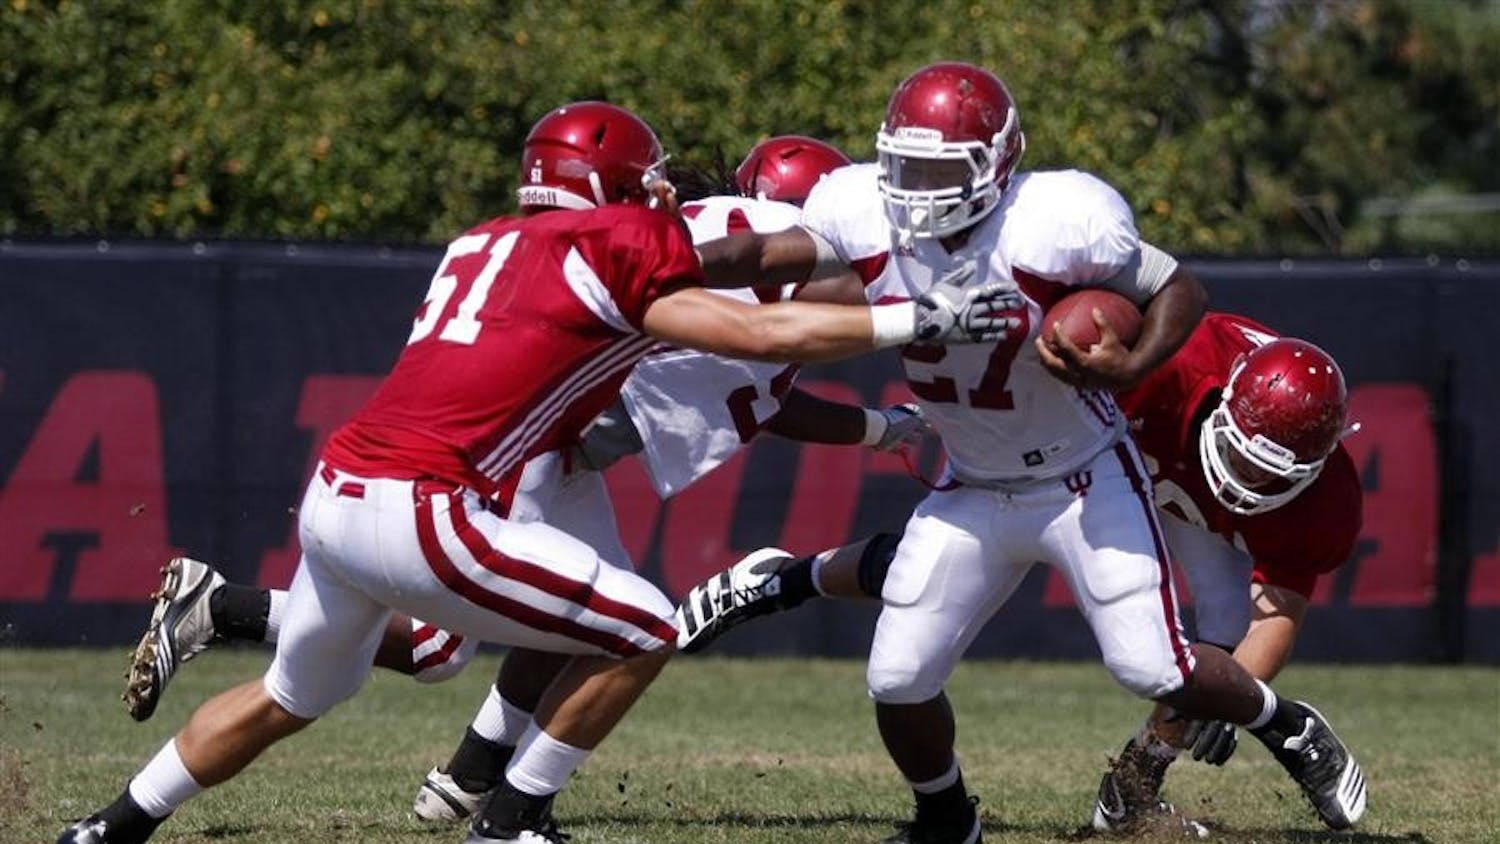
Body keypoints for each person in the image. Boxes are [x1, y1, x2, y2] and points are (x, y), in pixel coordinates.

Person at [60, 102, 1015, 844]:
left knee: (290, 696)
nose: (663, 197)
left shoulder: (479, 241)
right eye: (647, 183)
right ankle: (510, 815)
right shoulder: (617, 245)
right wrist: (922, 319)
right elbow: (757, 330)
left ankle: (110, 825)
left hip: (337, 489)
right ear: (614, 188)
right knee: (642, 626)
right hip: (433, 502)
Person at [686, 61, 1366, 844]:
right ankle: (948, 822)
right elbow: (769, 258)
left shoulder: (1056, 222)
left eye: (942, 171)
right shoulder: (861, 208)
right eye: (907, 167)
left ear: (998, 164)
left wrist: (1128, 365)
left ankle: (1285, 725)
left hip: (1083, 477)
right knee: (897, 678)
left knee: (1152, 666)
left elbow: (1177, 286)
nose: (919, 192)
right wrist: (661, 267)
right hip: (975, 482)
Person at [674, 312, 1367, 834]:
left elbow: (1277, 612)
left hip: (1152, 481)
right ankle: (785, 580)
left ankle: (1136, 786)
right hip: (1092, 459)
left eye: (1270, 474)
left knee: (1203, 639)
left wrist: (1233, 698)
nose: (1246, 482)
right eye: (1242, 457)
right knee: (928, 582)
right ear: (1226, 401)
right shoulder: (1164, 364)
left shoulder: (1325, 500)